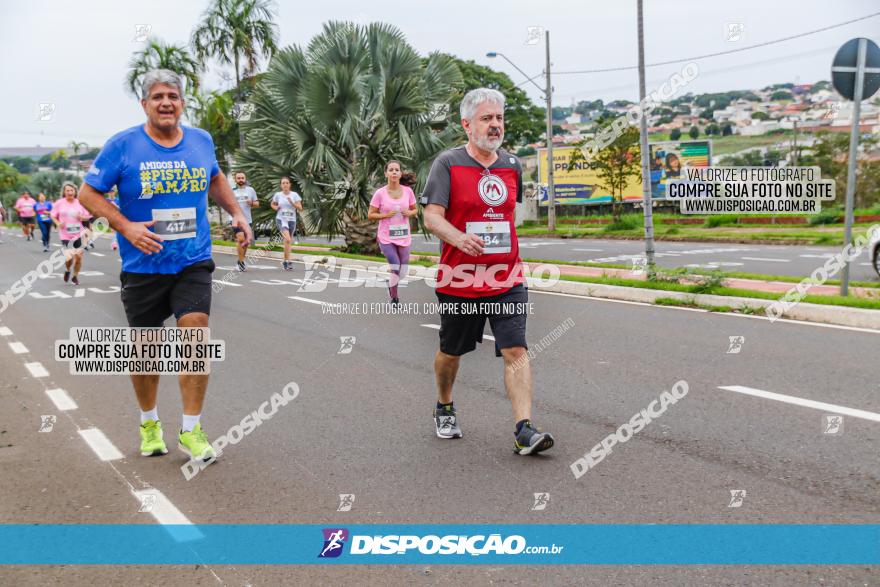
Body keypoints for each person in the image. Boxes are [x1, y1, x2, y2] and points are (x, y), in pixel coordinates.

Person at [78, 69, 252, 463]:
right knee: (146, 352)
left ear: (182, 102)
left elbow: (215, 178)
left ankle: (191, 430)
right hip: (143, 266)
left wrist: (237, 214)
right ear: (145, 104)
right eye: (157, 96)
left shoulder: (201, 140)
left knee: (195, 336)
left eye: (172, 95)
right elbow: (89, 193)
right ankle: (149, 422)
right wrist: (126, 226)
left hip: (192, 260)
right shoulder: (122, 145)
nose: (166, 103)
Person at [422, 88, 555, 455]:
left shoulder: (511, 165)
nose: (495, 125)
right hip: (460, 279)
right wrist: (459, 238)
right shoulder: (447, 164)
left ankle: (524, 429)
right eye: (486, 119)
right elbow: (431, 216)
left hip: (506, 277)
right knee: (451, 350)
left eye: (498, 118)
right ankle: (444, 404)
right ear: (466, 125)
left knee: (516, 348)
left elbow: (507, 213)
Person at [368, 160, 417, 303]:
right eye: (391, 170)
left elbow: (415, 209)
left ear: (400, 173)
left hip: (404, 236)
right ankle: (394, 297)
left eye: (397, 170)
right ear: (386, 174)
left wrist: (409, 212)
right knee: (395, 267)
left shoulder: (408, 191)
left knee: (403, 272)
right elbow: (370, 214)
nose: (394, 172)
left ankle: (391, 285)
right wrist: (385, 215)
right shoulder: (380, 193)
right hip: (386, 238)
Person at [50, 183, 89, 284]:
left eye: (72, 190)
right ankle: (67, 270)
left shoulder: (80, 203)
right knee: (69, 258)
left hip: (79, 233)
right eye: (67, 190)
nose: (70, 192)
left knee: (79, 257)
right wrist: (58, 223)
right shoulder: (59, 203)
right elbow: (53, 215)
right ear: (64, 192)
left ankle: (75, 276)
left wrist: (82, 217)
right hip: (65, 234)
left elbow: (87, 216)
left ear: (75, 192)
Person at [270, 176, 303, 271]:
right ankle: (287, 261)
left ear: (290, 185)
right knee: (287, 239)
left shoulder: (294, 195)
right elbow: (272, 204)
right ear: (281, 185)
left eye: (287, 183)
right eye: (283, 183)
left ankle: (286, 260)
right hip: (281, 219)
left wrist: (292, 203)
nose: (285, 185)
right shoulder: (278, 195)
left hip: (292, 220)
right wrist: (275, 208)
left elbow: (300, 208)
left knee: (288, 241)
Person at [231, 171, 258, 271]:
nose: (241, 180)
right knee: (241, 239)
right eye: (238, 178)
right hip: (235, 219)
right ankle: (241, 263)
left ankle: (240, 260)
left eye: (242, 178)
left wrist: (251, 202)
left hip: (247, 219)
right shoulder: (231, 191)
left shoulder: (251, 190)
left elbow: (257, 203)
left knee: (246, 242)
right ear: (235, 180)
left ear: (245, 179)